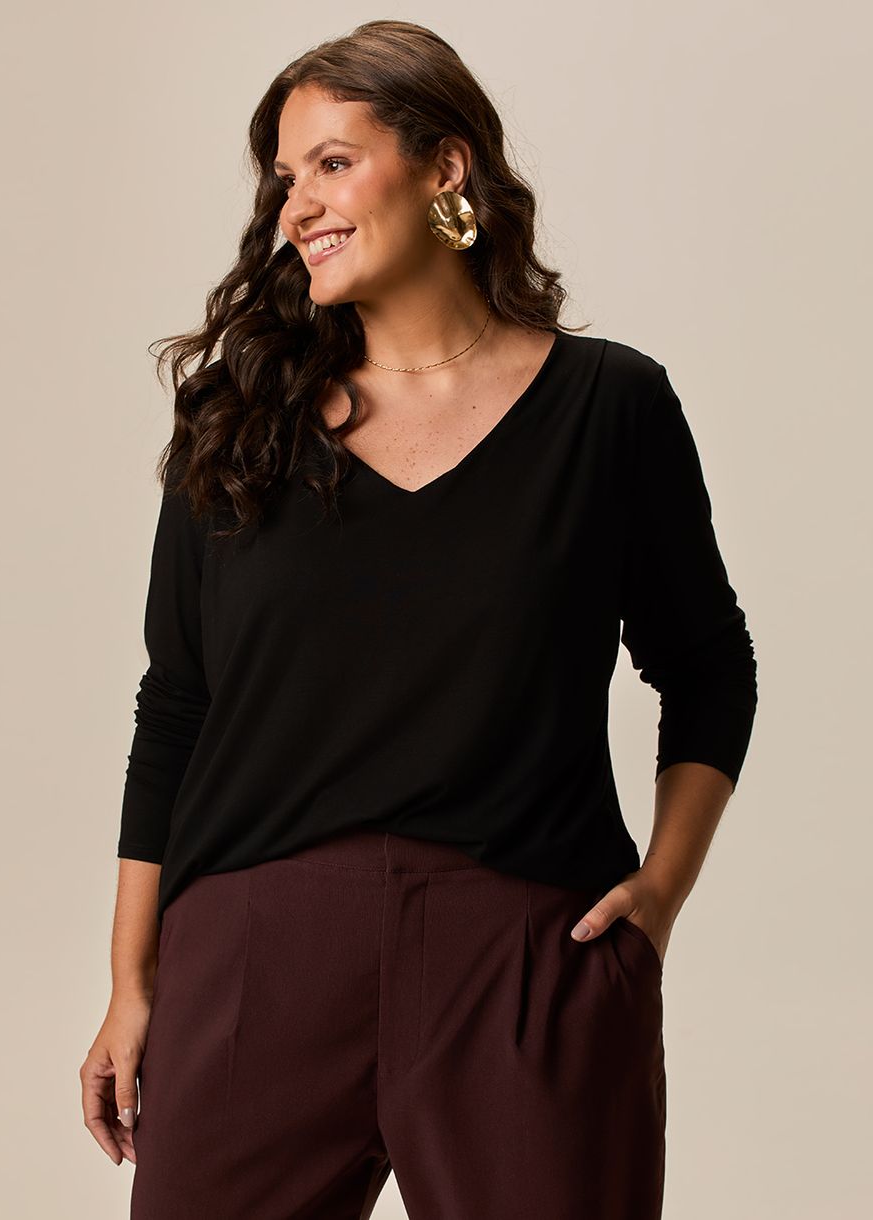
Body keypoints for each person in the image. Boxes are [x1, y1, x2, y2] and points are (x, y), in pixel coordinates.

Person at [80, 19, 758, 1220]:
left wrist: (657, 896)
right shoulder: (237, 417)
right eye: (286, 176)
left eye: (334, 163)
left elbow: (707, 664)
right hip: (255, 955)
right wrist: (132, 979)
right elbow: (175, 702)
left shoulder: (609, 407)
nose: (297, 205)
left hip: (523, 954)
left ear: (446, 167)